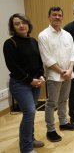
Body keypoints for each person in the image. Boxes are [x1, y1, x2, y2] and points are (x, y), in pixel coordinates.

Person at [3, 13, 45, 153]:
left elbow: (39, 61)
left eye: (23, 22)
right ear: (12, 27)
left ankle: (30, 139)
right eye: (16, 23)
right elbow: (13, 67)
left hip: (35, 82)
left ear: (28, 24)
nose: (21, 25)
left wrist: (41, 75)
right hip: (20, 84)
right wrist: (30, 80)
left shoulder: (33, 41)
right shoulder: (10, 43)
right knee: (29, 112)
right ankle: (26, 148)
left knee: (30, 114)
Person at [38, 7, 74, 143]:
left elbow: (72, 54)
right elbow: (47, 59)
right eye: (54, 15)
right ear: (49, 17)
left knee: (63, 100)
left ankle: (63, 122)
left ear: (62, 17)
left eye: (59, 15)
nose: (57, 17)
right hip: (54, 76)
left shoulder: (67, 35)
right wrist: (62, 72)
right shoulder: (43, 35)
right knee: (51, 103)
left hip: (68, 74)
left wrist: (70, 69)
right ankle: (50, 129)